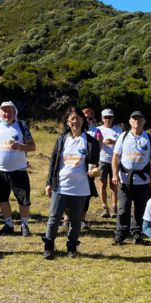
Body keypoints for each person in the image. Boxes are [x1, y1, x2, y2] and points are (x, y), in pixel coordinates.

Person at [42, 107, 101, 259]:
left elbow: (94, 164)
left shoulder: (91, 142)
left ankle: (72, 248)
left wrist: (93, 171)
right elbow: (53, 162)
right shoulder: (62, 139)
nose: (76, 121)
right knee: (54, 217)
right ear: (67, 122)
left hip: (80, 187)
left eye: (78, 118)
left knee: (76, 220)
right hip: (61, 185)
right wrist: (49, 183)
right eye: (72, 118)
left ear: (83, 120)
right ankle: (49, 246)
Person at [0, 101, 37, 236]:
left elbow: (32, 146)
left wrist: (21, 147)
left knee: (23, 200)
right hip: (0, 171)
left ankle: (24, 225)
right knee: (2, 199)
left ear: (15, 112)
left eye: (10, 111)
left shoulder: (21, 126)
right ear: (0, 113)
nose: (7, 114)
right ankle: (8, 224)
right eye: (4, 111)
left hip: (19, 170)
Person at [112, 111, 151, 245]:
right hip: (125, 179)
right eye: (134, 118)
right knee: (123, 208)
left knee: (141, 209)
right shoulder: (123, 136)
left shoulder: (149, 138)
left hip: (143, 180)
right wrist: (115, 174)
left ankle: (137, 233)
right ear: (130, 121)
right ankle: (120, 234)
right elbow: (115, 157)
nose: (137, 121)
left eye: (139, 118)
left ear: (144, 121)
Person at [76, 108, 103, 231]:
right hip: (75, 165)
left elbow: (98, 150)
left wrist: (93, 167)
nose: (87, 120)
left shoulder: (96, 131)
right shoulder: (75, 129)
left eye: (90, 118)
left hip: (89, 166)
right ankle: (67, 218)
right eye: (85, 117)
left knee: (86, 194)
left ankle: (82, 219)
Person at [96, 109, 122, 218]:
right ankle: (104, 207)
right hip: (102, 160)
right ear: (102, 119)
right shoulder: (98, 129)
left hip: (115, 161)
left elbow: (122, 143)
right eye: (105, 117)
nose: (108, 120)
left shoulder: (118, 130)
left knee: (114, 184)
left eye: (110, 117)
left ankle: (114, 207)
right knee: (102, 184)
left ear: (113, 118)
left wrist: (113, 142)